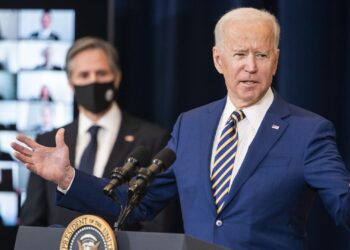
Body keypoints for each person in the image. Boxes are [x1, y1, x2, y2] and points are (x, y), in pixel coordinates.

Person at [12, 8, 350, 250]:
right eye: (240, 54)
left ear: (275, 60)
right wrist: (68, 177)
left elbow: (343, 202)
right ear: (219, 60)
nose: (250, 66)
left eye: (261, 55)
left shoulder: (309, 131)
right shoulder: (191, 125)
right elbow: (138, 203)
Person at [19, 37, 182, 233]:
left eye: (101, 73)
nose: (93, 81)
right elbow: (33, 225)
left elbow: (157, 225)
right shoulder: (48, 142)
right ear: (71, 82)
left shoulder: (153, 139)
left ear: (117, 77)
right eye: (84, 75)